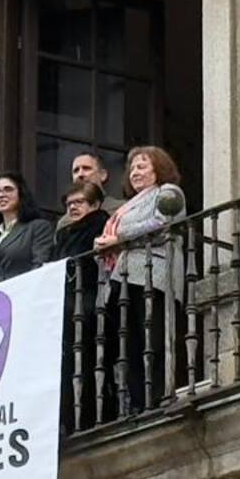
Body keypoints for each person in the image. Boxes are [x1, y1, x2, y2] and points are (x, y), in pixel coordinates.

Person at [94, 146, 186, 415]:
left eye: (142, 166)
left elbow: (162, 221)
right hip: (124, 278)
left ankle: (157, 396)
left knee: (153, 338)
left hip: (152, 276)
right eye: (132, 168)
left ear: (159, 168)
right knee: (132, 344)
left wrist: (119, 237)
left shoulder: (168, 192)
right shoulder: (127, 207)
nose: (135, 172)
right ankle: (137, 400)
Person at [53, 180, 109, 431]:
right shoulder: (65, 233)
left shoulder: (100, 223)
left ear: (94, 204)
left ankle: (91, 414)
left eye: (79, 202)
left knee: (88, 359)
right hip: (68, 304)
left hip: (89, 300)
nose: (73, 208)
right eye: (69, 204)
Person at [0, 171, 54, 287]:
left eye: (8, 189)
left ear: (21, 194)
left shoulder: (37, 227)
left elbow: (39, 266)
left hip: (23, 296)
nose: (1, 195)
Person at [55, 150, 125, 231]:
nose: (80, 174)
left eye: (86, 168)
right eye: (76, 171)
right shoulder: (65, 222)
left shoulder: (120, 209)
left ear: (103, 175)